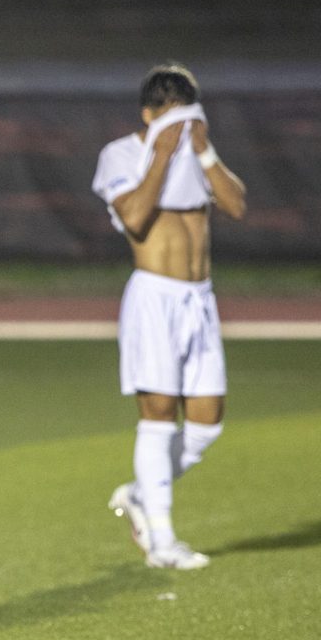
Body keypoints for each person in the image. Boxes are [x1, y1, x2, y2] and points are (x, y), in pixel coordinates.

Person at [91, 62, 247, 570]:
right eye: (170, 121)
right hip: (154, 299)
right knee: (157, 418)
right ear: (149, 115)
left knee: (206, 424)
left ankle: (141, 492)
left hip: (199, 300)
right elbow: (134, 218)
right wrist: (161, 153)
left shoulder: (199, 158)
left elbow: (237, 205)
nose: (178, 132)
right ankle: (161, 540)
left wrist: (202, 149)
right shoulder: (122, 153)